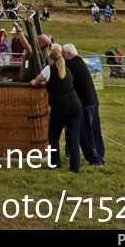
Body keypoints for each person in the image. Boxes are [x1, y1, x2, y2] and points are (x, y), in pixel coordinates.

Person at [33, 44, 82, 173]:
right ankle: (74, 168)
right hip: (76, 106)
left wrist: (37, 83)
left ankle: (55, 163)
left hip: (60, 107)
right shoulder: (66, 70)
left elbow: (37, 80)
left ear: (52, 60)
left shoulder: (49, 69)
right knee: (73, 137)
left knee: (53, 135)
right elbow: (59, 83)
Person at [62, 44, 105, 166]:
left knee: (85, 133)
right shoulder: (80, 62)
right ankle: (99, 156)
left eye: (64, 55)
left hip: (84, 103)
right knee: (95, 131)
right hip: (93, 101)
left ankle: (94, 159)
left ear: (68, 54)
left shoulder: (71, 65)